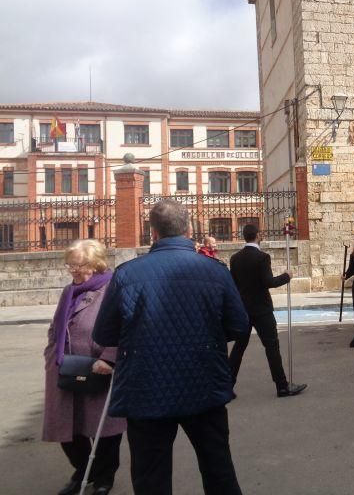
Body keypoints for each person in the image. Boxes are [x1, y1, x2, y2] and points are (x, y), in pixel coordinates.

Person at [93, 200, 250, 495]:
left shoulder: (126, 275)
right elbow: (239, 326)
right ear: (189, 229)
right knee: (218, 469)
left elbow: (104, 334)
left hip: (146, 390)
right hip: (204, 384)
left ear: (152, 233)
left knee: (151, 478)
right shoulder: (214, 271)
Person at [43, 240, 124, 495]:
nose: (74, 271)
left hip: (98, 367)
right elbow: (56, 326)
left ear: (97, 264)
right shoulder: (69, 291)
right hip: (66, 367)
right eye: (71, 265)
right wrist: (51, 353)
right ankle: (82, 471)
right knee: (69, 429)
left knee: (104, 431)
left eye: (80, 265)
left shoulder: (112, 289)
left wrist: (110, 358)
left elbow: (124, 327)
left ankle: (103, 478)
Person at [228, 224, 307, 398]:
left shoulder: (235, 258)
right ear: (258, 235)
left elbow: (233, 286)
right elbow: (268, 282)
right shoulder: (262, 257)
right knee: (272, 347)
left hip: (243, 309)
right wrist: (287, 276)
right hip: (262, 310)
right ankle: (282, 386)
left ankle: (226, 386)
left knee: (239, 348)